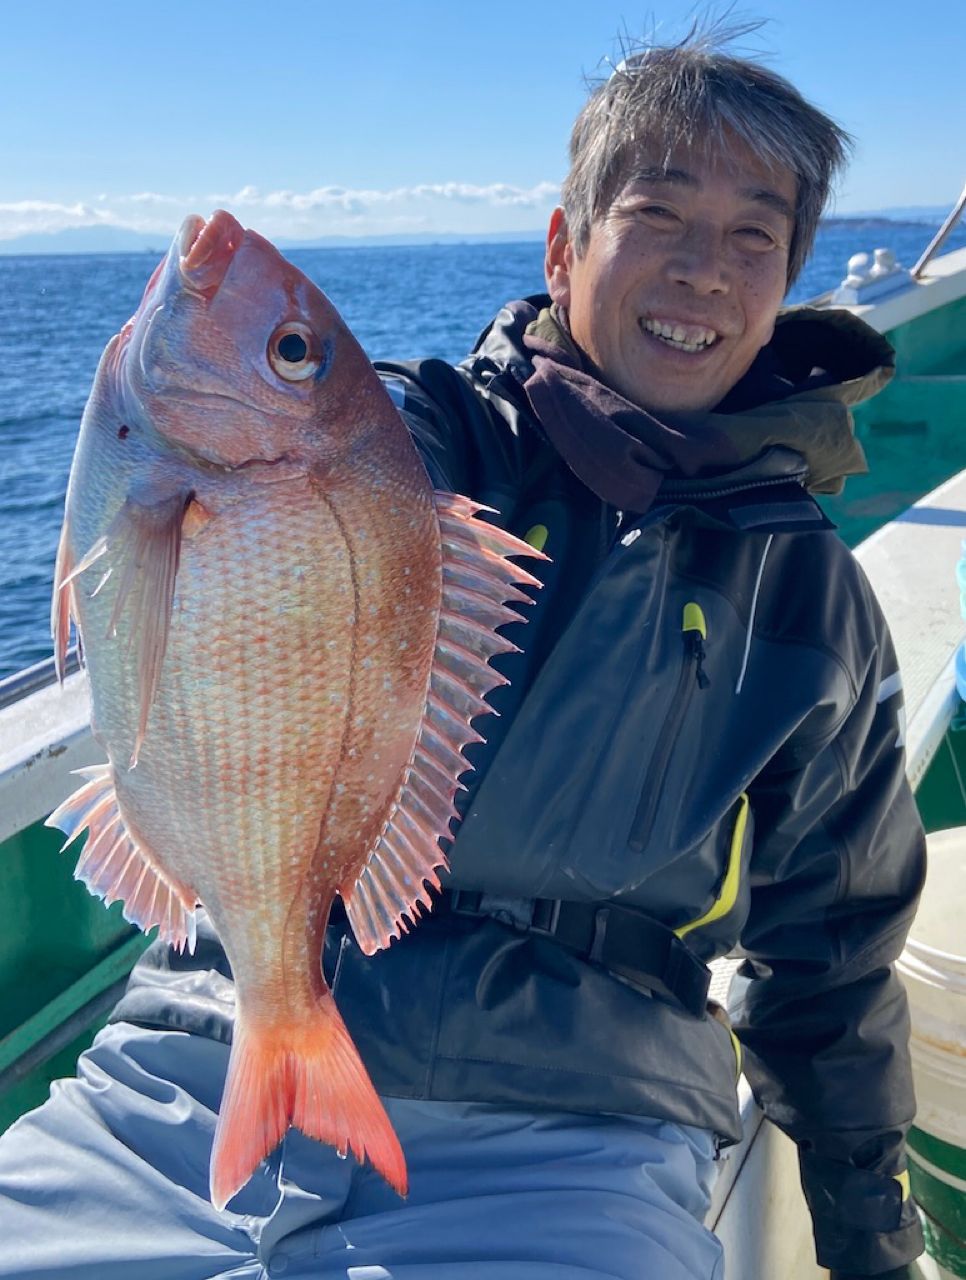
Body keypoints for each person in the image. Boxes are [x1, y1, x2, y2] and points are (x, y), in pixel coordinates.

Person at [0, 28, 926, 1280]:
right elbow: (333, 446)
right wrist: (243, 389)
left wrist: (872, 1244)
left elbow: (836, 951)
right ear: (562, 247)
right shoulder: (407, 448)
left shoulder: (811, 598)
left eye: (754, 237)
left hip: (575, 1130)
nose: (706, 270)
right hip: (192, 1053)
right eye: (659, 214)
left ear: (787, 285)